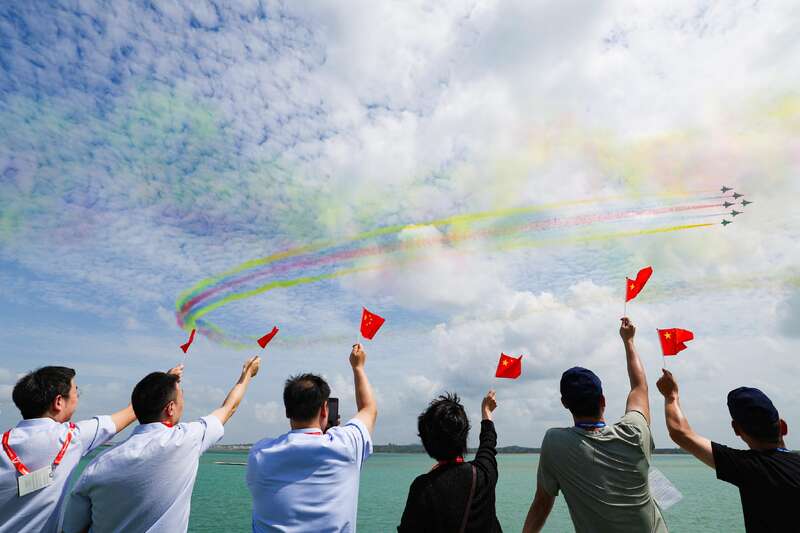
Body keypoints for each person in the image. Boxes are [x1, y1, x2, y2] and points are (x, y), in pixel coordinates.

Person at [61, 356, 260, 533]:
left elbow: (72, 528)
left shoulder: (98, 464)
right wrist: (247, 375)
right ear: (170, 408)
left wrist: (163, 383)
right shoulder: (186, 440)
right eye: (182, 397)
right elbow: (228, 408)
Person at [523, 317, 667, 533]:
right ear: (603, 400)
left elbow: (542, 504)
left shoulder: (555, 443)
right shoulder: (634, 432)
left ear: (565, 404)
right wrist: (628, 341)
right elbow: (640, 387)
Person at [0, 364, 150, 533]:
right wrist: (162, 384)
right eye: (75, 392)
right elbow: (131, 412)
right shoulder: (71, 438)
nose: (77, 398)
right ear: (58, 402)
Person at [247, 343, 377, 532]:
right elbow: (368, 409)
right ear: (324, 409)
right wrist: (358, 367)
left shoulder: (259, 454)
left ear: (287, 411)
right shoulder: (346, 446)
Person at [656, 369, 800, 532]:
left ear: (736, 429)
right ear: (783, 426)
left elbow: (681, 434)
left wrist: (671, 396)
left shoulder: (749, 467)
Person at [398, 390, 501, 533]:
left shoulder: (422, 488)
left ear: (426, 442)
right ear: (464, 435)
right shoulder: (483, 474)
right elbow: (488, 444)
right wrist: (486, 412)